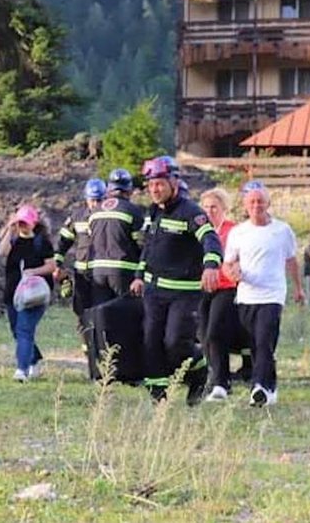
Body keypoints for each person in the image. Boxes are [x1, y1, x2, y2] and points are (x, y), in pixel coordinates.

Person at [132, 157, 220, 405]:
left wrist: (211, 265)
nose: (155, 189)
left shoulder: (191, 212)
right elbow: (148, 248)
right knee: (151, 342)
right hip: (153, 292)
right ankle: (158, 399)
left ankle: (200, 372)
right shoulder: (153, 212)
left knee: (175, 344)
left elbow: (211, 239)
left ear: (173, 181)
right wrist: (139, 276)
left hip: (185, 294)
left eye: (159, 184)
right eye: (151, 185)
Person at [223, 182, 303, 407]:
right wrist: (232, 273)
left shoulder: (282, 230)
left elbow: (291, 261)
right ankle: (270, 387)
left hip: (273, 295)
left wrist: (298, 288)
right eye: (252, 202)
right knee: (256, 344)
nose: (256, 205)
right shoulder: (238, 232)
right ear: (245, 206)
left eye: (260, 201)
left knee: (265, 339)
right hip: (247, 295)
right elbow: (227, 264)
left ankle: (258, 387)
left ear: (268, 203)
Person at [197, 187, 252, 402]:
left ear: (224, 209)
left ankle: (221, 382)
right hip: (202, 288)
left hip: (226, 287)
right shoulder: (199, 230)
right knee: (203, 336)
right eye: (206, 207)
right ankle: (214, 375)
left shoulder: (232, 231)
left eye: (214, 207)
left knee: (215, 332)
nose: (210, 211)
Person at [0, 204, 57, 382]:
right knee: (17, 331)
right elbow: (1, 252)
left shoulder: (41, 242)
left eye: (25, 222)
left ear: (34, 223)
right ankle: (34, 360)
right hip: (13, 293)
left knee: (24, 329)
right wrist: (10, 228)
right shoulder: (13, 241)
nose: (22, 226)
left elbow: (52, 266)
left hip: (34, 295)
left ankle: (21, 370)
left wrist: (34, 271)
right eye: (20, 222)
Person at [56, 178, 106, 363]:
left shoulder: (108, 215)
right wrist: (58, 263)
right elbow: (63, 241)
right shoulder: (78, 216)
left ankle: (102, 350)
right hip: (82, 273)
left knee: (101, 313)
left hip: (102, 273)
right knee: (82, 312)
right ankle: (88, 350)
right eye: (92, 200)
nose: (95, 204)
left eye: (99, 200)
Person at [86, 168, 146, 303]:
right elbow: (142, 244)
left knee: (102, 316)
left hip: (98, 271)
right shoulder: (133, 211)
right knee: (124, 316)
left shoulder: (95, 211)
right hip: (123, 271)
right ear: (129, 190)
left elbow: (89, 242)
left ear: (109, 189)